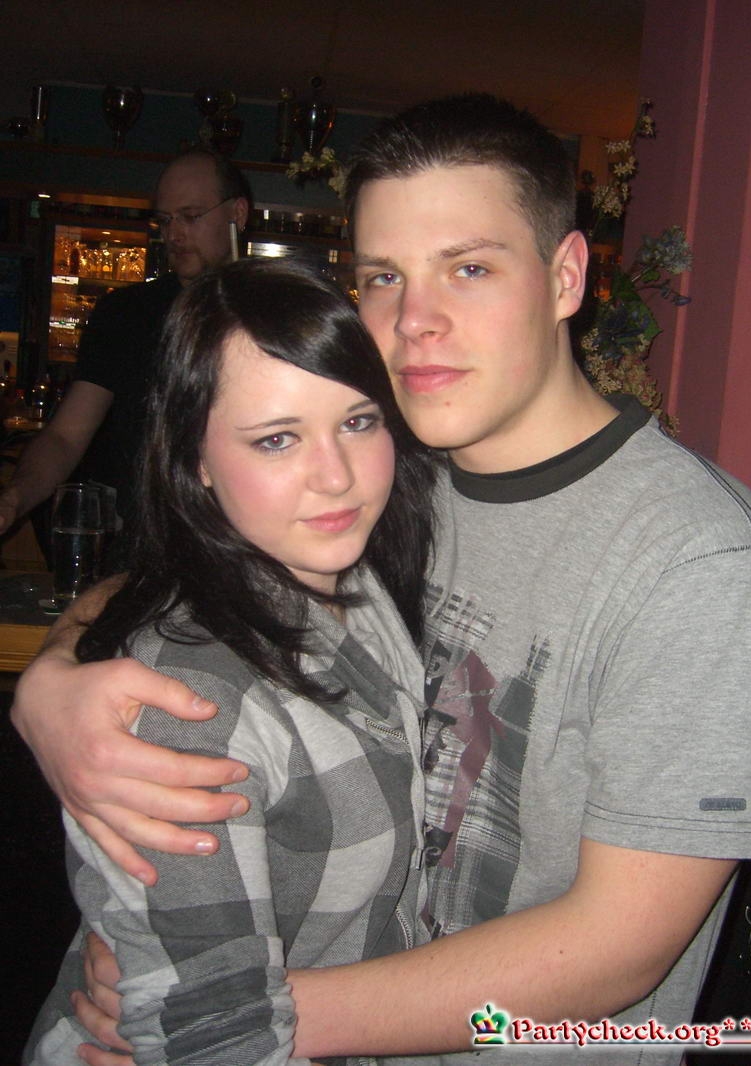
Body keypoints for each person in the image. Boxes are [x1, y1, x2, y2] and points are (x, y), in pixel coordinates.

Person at [13, 94, 751, 1066]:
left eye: (469, 267)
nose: (415, 320)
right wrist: (56, 684)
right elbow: (191, 565)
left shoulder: (701, 565)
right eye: (384, 276)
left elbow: (619, 948)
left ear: (565, 276)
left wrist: (227, 1017)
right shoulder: (388, 473)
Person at [23, 256, 439, 1065]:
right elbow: (216, 1042)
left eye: (358, 421)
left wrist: (52, 663)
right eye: (277, 439)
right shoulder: (191, 703)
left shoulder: (358, 582)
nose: (336, 475)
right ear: (197, 460)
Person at [0, 147, 250, 546]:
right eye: (165, 220)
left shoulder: (271, 315)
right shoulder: (125, 313)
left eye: (190, 216)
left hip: (242, 551)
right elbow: (66, 436)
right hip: (138, 551)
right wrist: (15, 498)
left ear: (237, 213)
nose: (174, 234)